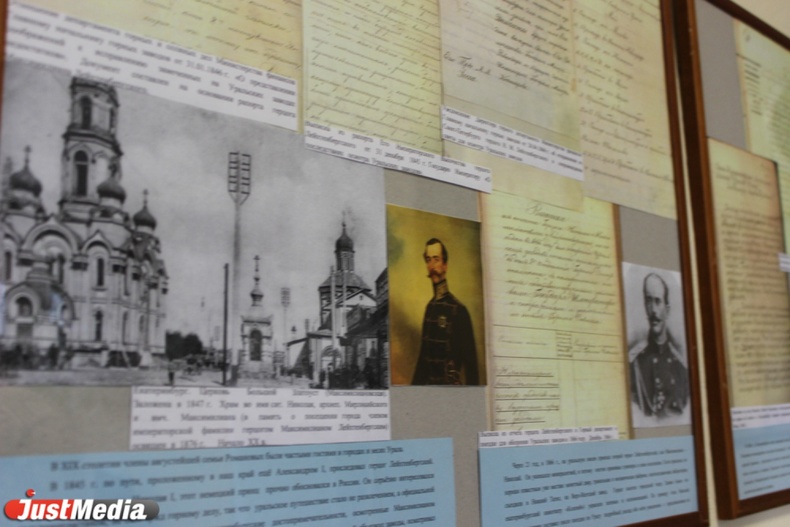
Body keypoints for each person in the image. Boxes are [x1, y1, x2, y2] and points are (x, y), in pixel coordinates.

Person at [412, 238, 479, 385]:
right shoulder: (429, 308)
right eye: (428, 260)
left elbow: (471, 367)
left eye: (436, 259)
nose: (432, 266)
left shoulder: (459, 310)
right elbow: (423, 361)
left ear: (445, 265)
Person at [630, 273, 688, 418]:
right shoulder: (634, 364)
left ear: (667, 310)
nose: (653, 310)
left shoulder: (681, 368)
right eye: (649, 301)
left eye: (658, 301)